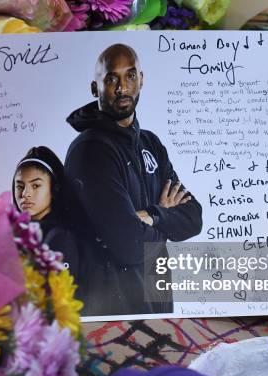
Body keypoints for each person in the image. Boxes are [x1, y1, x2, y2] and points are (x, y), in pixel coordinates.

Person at [64, 43, 203, 316]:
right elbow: (129, 245)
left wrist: (151, 216)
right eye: (111, 78)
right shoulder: (91, 150)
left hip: (157, 301)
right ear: (95, 88)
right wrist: (165, 217)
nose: (122, 87)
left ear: (142, 79)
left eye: (129, 76)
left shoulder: (150, 143)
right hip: (111, 309)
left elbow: (194, 218)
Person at [13, 146, 77, 272]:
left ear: (54, 189)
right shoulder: (15, 234)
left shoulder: (60, 238)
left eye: (35, 185)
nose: (25, 194)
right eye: (20, 186)